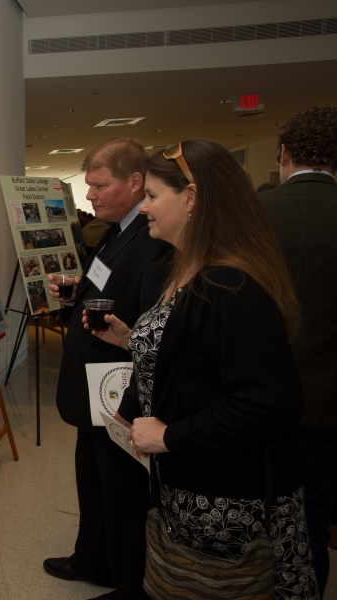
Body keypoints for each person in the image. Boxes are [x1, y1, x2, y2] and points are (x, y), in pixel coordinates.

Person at [91, 139, 317, 599]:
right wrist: (134, 340)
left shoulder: (228, 284)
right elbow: (199, 355)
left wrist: (168, 436)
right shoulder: (191, 269)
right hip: (195, 486)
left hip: (229, 500)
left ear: (192, 198)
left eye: (153, 195)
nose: (146, 207)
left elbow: (270, 403)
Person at [44, 137, 173, 600]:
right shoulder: (117, 230)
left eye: (100, 185)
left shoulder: (153, 238)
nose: (90, 196)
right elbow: (110, 285)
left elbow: (154, 321)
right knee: (93, 480)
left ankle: (128, 583)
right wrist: (79, 290)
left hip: (117, 391)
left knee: (122, 494)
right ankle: (92, 558)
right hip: (91, 392)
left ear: (135, 183)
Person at [261, 104, 337, 593]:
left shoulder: (257, 214)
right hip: (329, 405)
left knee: (261, 515)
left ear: (284, 153)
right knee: (313, 516)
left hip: (260, 398)